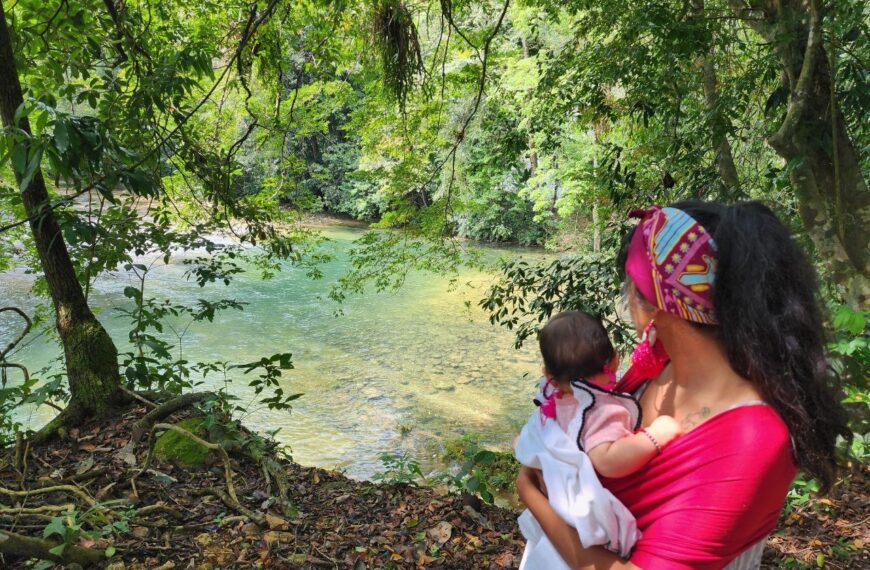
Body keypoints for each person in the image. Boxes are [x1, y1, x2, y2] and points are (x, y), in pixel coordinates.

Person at [516, 202, 850, 569]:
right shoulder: (659, 359)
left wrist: (530, 493)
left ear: (653, 300)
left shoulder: (751, 439)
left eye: (630, 282)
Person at [514, 311, 682, 568]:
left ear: (549, 376)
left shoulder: (557, 401)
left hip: (550, 505)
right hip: (578, 519)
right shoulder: (600, 409)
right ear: (614, 361)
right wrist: (655, 436)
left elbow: (527, 439)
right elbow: (606, 459)